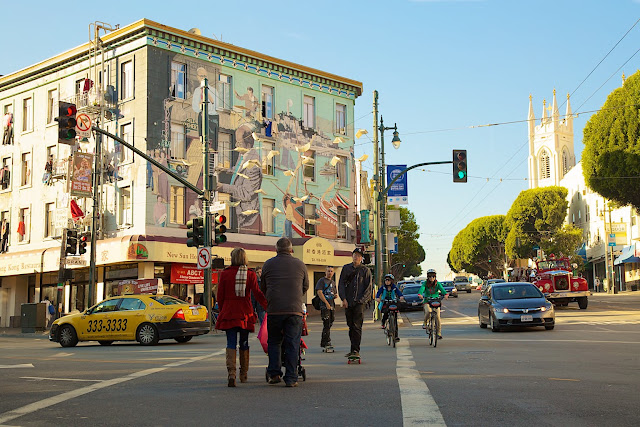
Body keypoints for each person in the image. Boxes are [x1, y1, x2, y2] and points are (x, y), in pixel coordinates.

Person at [260, 237, 309, 387]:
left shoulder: (268, 264)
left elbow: (263, 287)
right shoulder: (300, 265)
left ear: (276, 249)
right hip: (294, 309)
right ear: (291, 249)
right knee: (293, 343)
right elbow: (305, 286)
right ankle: (291, 378)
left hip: (274, 309)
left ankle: (274, 373)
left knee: (274, 341)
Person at [215, 247, 267, 387]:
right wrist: (267, 306)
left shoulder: (225, 274)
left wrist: (222, 310)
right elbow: (257, 293)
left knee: (230, 343)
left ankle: (231, 374)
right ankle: (243, 374)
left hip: (229, 311)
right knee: (244, 343)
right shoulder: (250, 274)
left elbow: (220, 295)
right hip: (245, 312)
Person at [338, 247, 372, 358]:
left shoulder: (365, 270)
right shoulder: (346, 268)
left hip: (359, 303)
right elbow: (341, 284)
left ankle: (355, 350)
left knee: (357, 326)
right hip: (348, 301)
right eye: (354, 255)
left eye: (358, 255)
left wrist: (362, 301)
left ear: (361, 258)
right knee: (350, 326)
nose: (356, 257)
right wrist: (343, 298)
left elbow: (368, 288)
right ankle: (352, 348)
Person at [418, 269, 449, 339]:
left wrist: (446, 294)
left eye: (433, 276)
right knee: (428, 311)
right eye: (430, 276)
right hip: (427, 300)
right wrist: (420, 294)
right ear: (428, 277)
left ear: (435, 277)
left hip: (436, 300)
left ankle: (439, 333)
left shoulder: (437, 283)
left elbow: (442, 289)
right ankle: (425, 322)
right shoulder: (425, 283)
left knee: (438, 317)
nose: (431, 278)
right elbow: (421, 289)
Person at [315, 266, 337, 350]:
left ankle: (323, 341)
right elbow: (319, 292)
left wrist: (335, 296)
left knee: (331, 322)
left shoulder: (333, 282)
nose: (330, 272)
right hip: (324, 305)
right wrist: (326, 303)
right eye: (328, 271)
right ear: (325, 272)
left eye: (331, 271)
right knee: (326, 323)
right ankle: (327, 341)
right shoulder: (321, 281)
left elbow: (334, 292)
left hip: (332, 305)